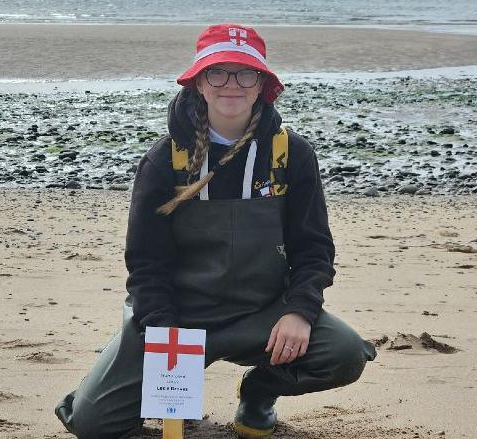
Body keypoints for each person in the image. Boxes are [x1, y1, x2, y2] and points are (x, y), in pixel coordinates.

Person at [55, 23, 377, 439]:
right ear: (199, 83)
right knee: (93, 424)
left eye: (246, 73)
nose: (232, 85)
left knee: (345, 354)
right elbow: (146, 263)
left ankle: (259, 392)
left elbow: (313, 247)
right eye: (217, 73)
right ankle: (111, 387)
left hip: (262, 313)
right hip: (177, 315)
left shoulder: (290, 154)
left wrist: (298, 311)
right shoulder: (164, 160)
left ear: (262, 84)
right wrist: (164, 331)